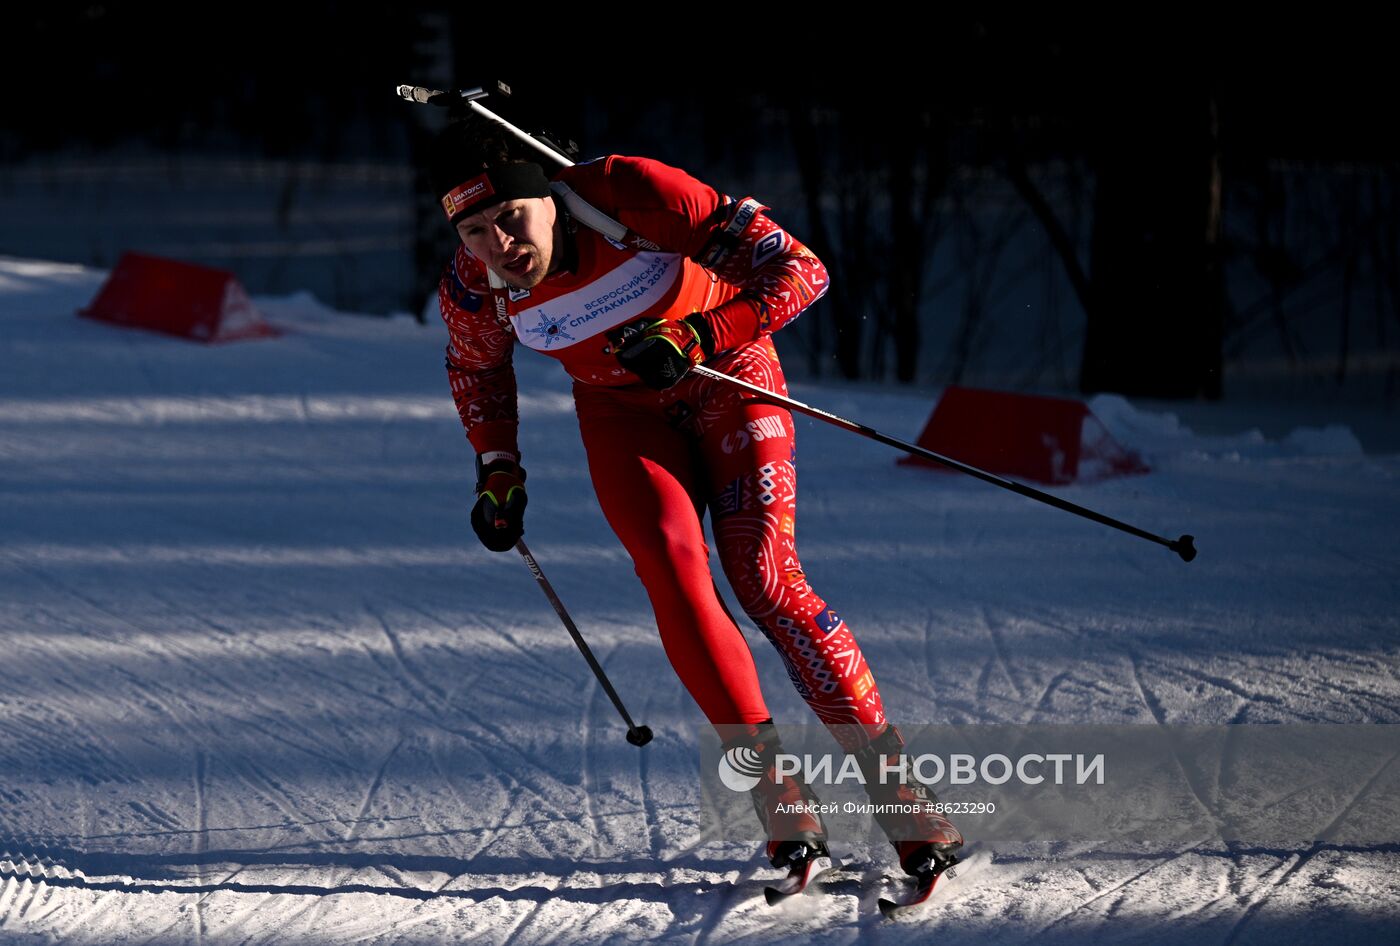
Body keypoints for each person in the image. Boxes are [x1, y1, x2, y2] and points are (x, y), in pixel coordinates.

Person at [427, 113, 962, 880]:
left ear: (546, 194)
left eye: (508, 218)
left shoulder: (632, 197)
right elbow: (477, 370)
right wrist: (497, 466)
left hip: (726, 373)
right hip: (618, 409)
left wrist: (700, 335)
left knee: (764, 577)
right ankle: (778, 800)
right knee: (674, 575)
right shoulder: (474, 286)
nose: (498, 247)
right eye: (473, 232)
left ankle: (902, 798)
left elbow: (803, 269)